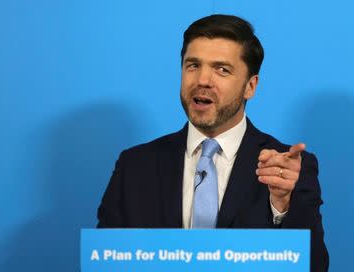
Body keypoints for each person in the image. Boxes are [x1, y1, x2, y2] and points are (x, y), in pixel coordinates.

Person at [97, 14, 329, 271]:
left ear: (250, 87)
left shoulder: (288, 169)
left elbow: (314, 266)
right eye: (193, 65)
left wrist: (282, 205)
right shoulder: (134, 166)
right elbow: (107, 261)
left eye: (222, 69)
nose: (202, 80)